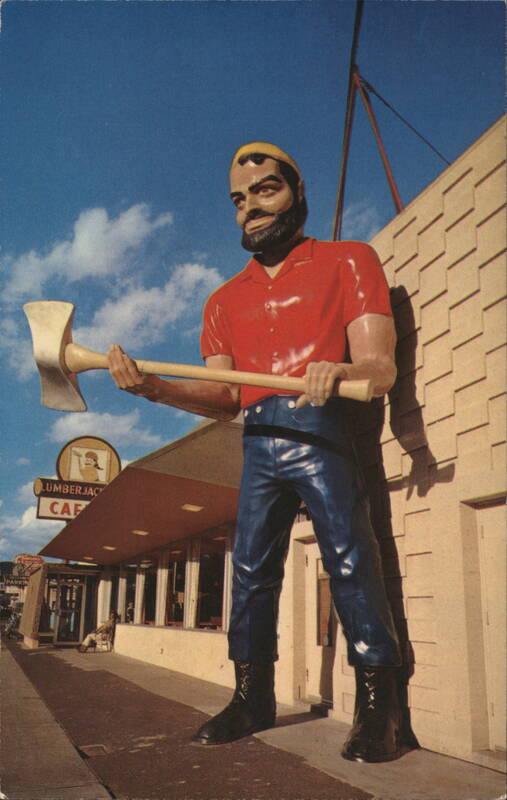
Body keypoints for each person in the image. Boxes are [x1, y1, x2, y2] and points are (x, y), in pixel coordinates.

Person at [106, 142, 405, 762]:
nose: (250, 208)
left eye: (265, 190)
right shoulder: (222, 300)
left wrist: (340, 368)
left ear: (297, 191)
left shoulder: (350, 261)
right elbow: (223, 396)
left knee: (351, 560)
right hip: (260, 437)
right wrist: (154, 387)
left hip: (325, 426)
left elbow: (381, 368)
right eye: (239, 200)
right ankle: (252, 696)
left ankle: (382, 708)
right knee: (247, 571)